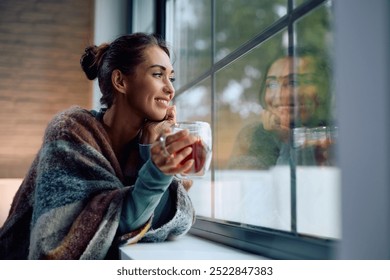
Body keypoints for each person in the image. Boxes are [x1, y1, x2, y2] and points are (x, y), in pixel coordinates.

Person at [0, 33, 198, 259]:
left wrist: (148, 147)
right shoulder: (70, 130)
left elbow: (165, 221)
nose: (170, 89)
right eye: (157, 74)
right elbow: (112, 224)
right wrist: (157, 172)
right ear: (120, 81)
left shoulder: (151, 140)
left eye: (171, 78)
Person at [228, 49, 335, 169]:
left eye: (294, 82)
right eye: (272, 85)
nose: (279, 95)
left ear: (324, 89)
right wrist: (280, 139)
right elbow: (247, 182)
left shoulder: (337, 136)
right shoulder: (253, 136)